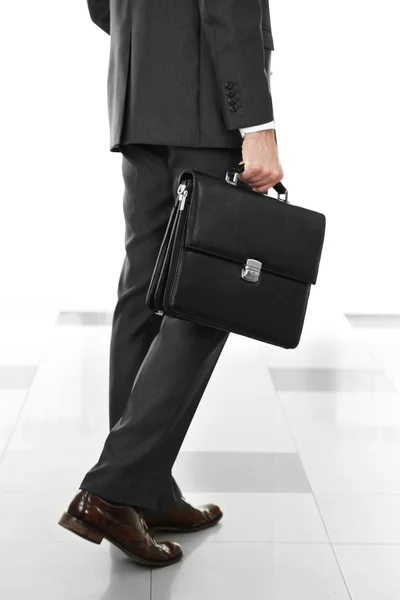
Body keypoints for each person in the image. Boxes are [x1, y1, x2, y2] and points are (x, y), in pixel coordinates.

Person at [58, 0, 284, 568]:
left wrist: (151, 39)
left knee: (147, 292)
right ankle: (114, 491)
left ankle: (146, 492)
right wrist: (255, 122)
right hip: (203, 103)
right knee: (204, 296)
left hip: (139, 101)